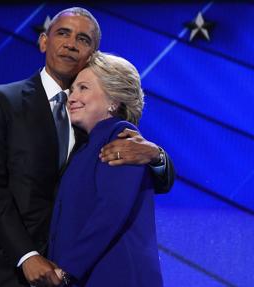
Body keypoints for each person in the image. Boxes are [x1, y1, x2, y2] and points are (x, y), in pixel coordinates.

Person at [0, 7, 174, 287]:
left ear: (93, 54)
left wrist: (157, 156)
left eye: (83, 39)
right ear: (44, 41)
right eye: (63, 33)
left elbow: (126, 188)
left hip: (61, 272)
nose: (70, 44)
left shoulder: (96, 123)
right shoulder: (0, 101)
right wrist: (27, 256)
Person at [49, 51, 162, 287]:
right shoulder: (87, 147)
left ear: (114, 100)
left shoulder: (122, 137)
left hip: (115, 275)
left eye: (83, 88)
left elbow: (112, 208)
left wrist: (67, 270)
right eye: (72, 89)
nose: (71, 97)